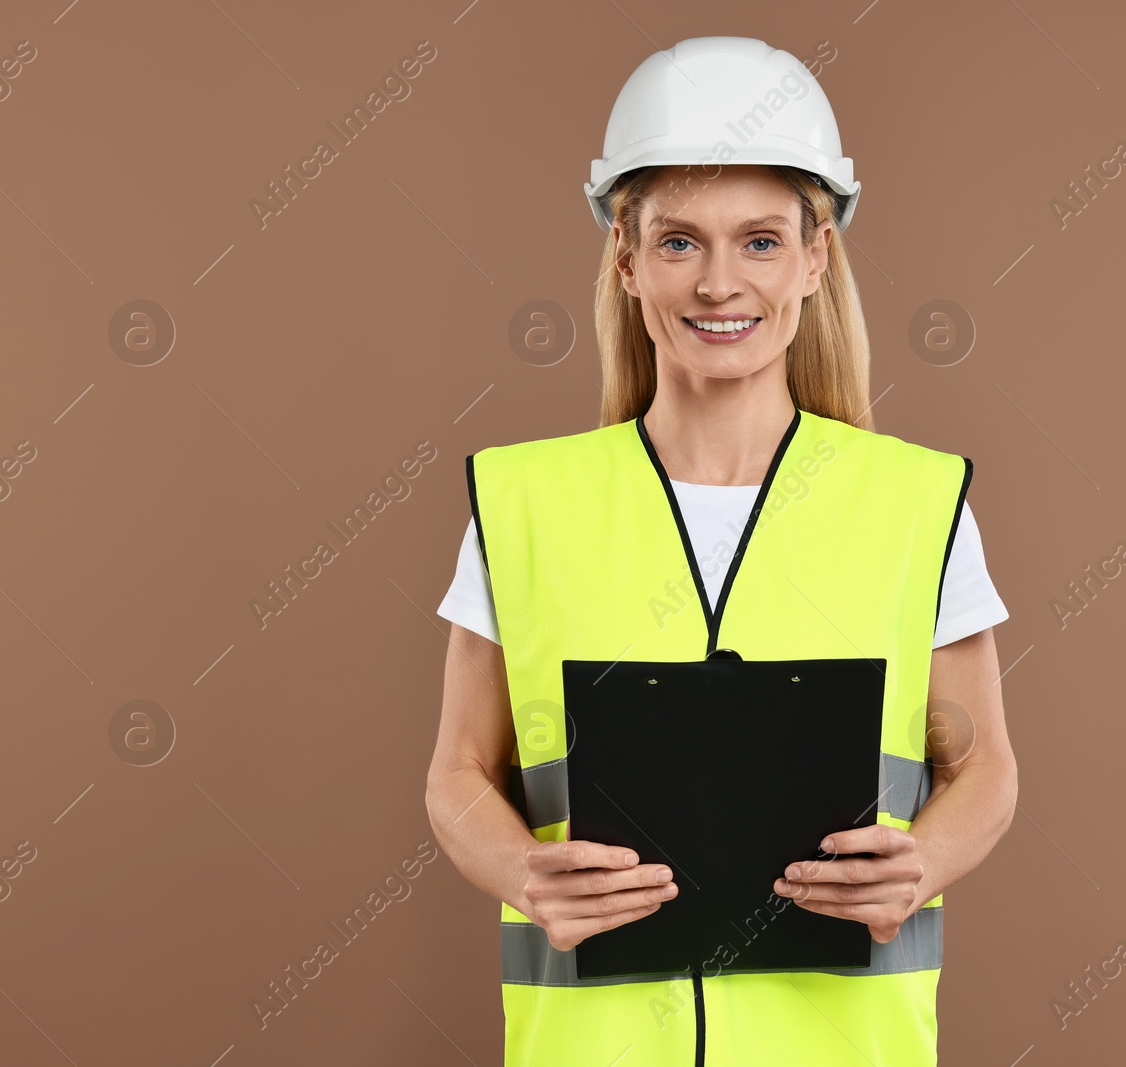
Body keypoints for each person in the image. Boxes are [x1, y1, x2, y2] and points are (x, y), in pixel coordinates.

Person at [424, 35, 1018, 1067]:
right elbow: (459, 772)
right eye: (678, 242)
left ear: (815, 256)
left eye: (758, 240)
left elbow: (984, 766)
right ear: (625, 257)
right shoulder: (522, 504)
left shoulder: (915, 504)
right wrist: (524, 871)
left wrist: (919, 863)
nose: (717, 284)